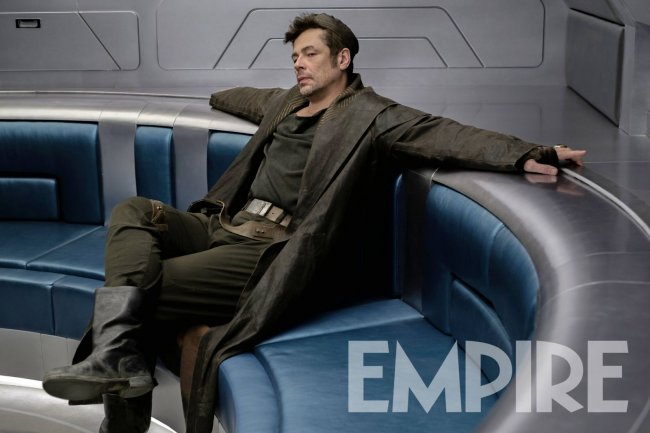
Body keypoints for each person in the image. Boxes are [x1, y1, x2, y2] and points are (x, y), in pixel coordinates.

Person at [42, 12, 586, 433]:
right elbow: (242, 98)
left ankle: (120, 400)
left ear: (342, 58)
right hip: (226, 226)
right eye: (295, 56)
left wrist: (529, 152)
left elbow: (447, 133)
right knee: (134, 210)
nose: (299, 64)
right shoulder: (285, 104)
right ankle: (117, 357)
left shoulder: (373, 117)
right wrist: (210, 95)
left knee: (141, 296)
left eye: (310, 54)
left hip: (273, 250)